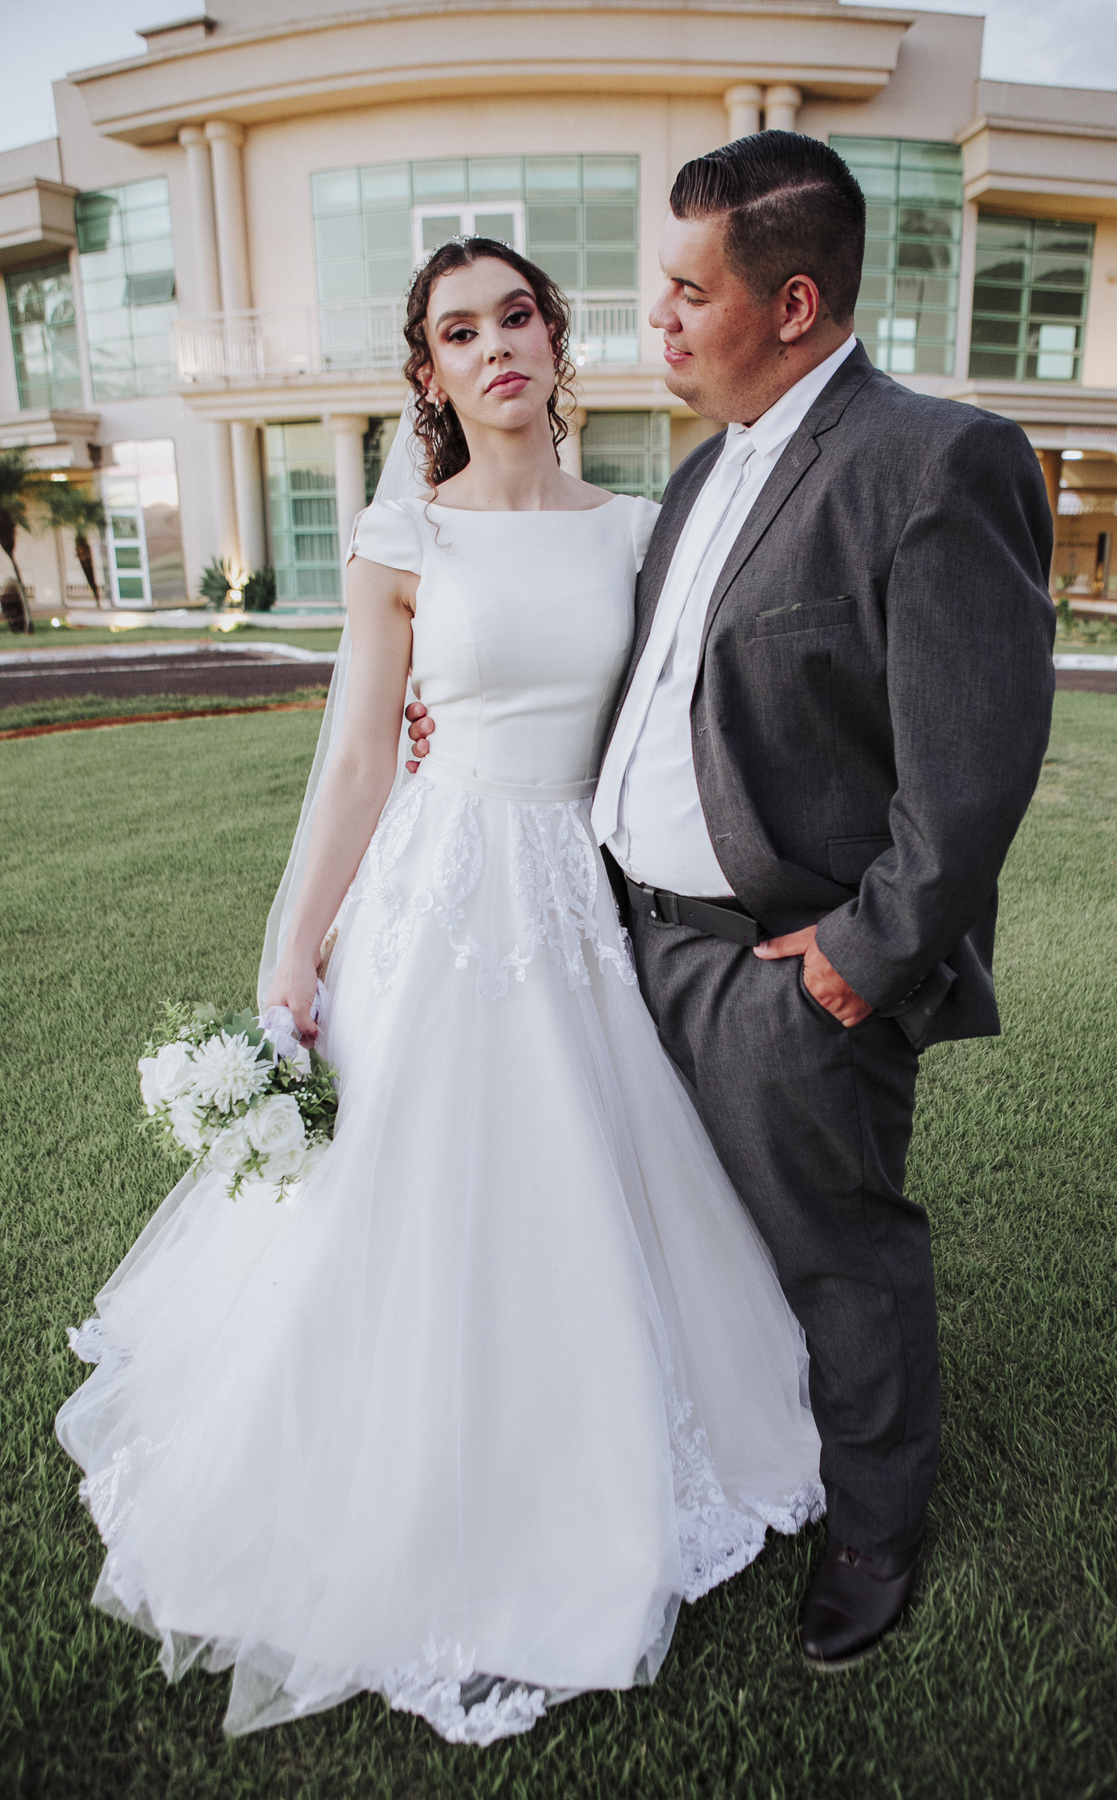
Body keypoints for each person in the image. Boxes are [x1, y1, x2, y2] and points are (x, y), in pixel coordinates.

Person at [54, 237, 825, 1745]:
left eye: (516, 317)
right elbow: (358, 755)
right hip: (437, 888)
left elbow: (681, 726)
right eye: (460, 332)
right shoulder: (402, 535)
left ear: (554, 339)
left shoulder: (639, 531)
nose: (496, 348)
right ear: (430, 374)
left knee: (587, 1177)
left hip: (582, 893)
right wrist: (294, 945)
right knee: (402, 1192)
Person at [405, 134, 1057, 1670]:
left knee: (839, 1247)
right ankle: (713, 1448)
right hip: (620, 943)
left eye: (690, 293)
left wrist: (856, 960)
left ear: (795, 301)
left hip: (781, 967)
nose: (659, 319)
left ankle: (875, 1530)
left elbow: (972, 769)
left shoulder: (936, 460)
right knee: (685, 1235)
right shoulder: (700, 475)